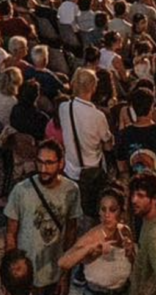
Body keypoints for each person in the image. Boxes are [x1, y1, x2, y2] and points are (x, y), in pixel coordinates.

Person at [4, 139, 80, 295]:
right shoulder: (21, 191)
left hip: (53, 270)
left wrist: (65, 275)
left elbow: (71, 232)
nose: (43, 168)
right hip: (27, 273)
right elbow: (11, 234)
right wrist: (9, 276)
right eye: (40, 162)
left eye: (49, 163)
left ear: (61, 163)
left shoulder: (71, 191)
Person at [58, 185, 135, 295]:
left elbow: (132, 264)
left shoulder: (125, 231)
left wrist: (130, 252)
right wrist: (89, 249)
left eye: (112, 210)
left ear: (121, 212)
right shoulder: (93, 236)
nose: (106, 215)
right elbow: (63, 262)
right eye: (103, 209)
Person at [59, 68, 114, 213]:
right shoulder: (98, 116)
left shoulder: (63, 108)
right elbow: (108, 146)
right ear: (93, 87)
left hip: (71, 168)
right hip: (92, 171)